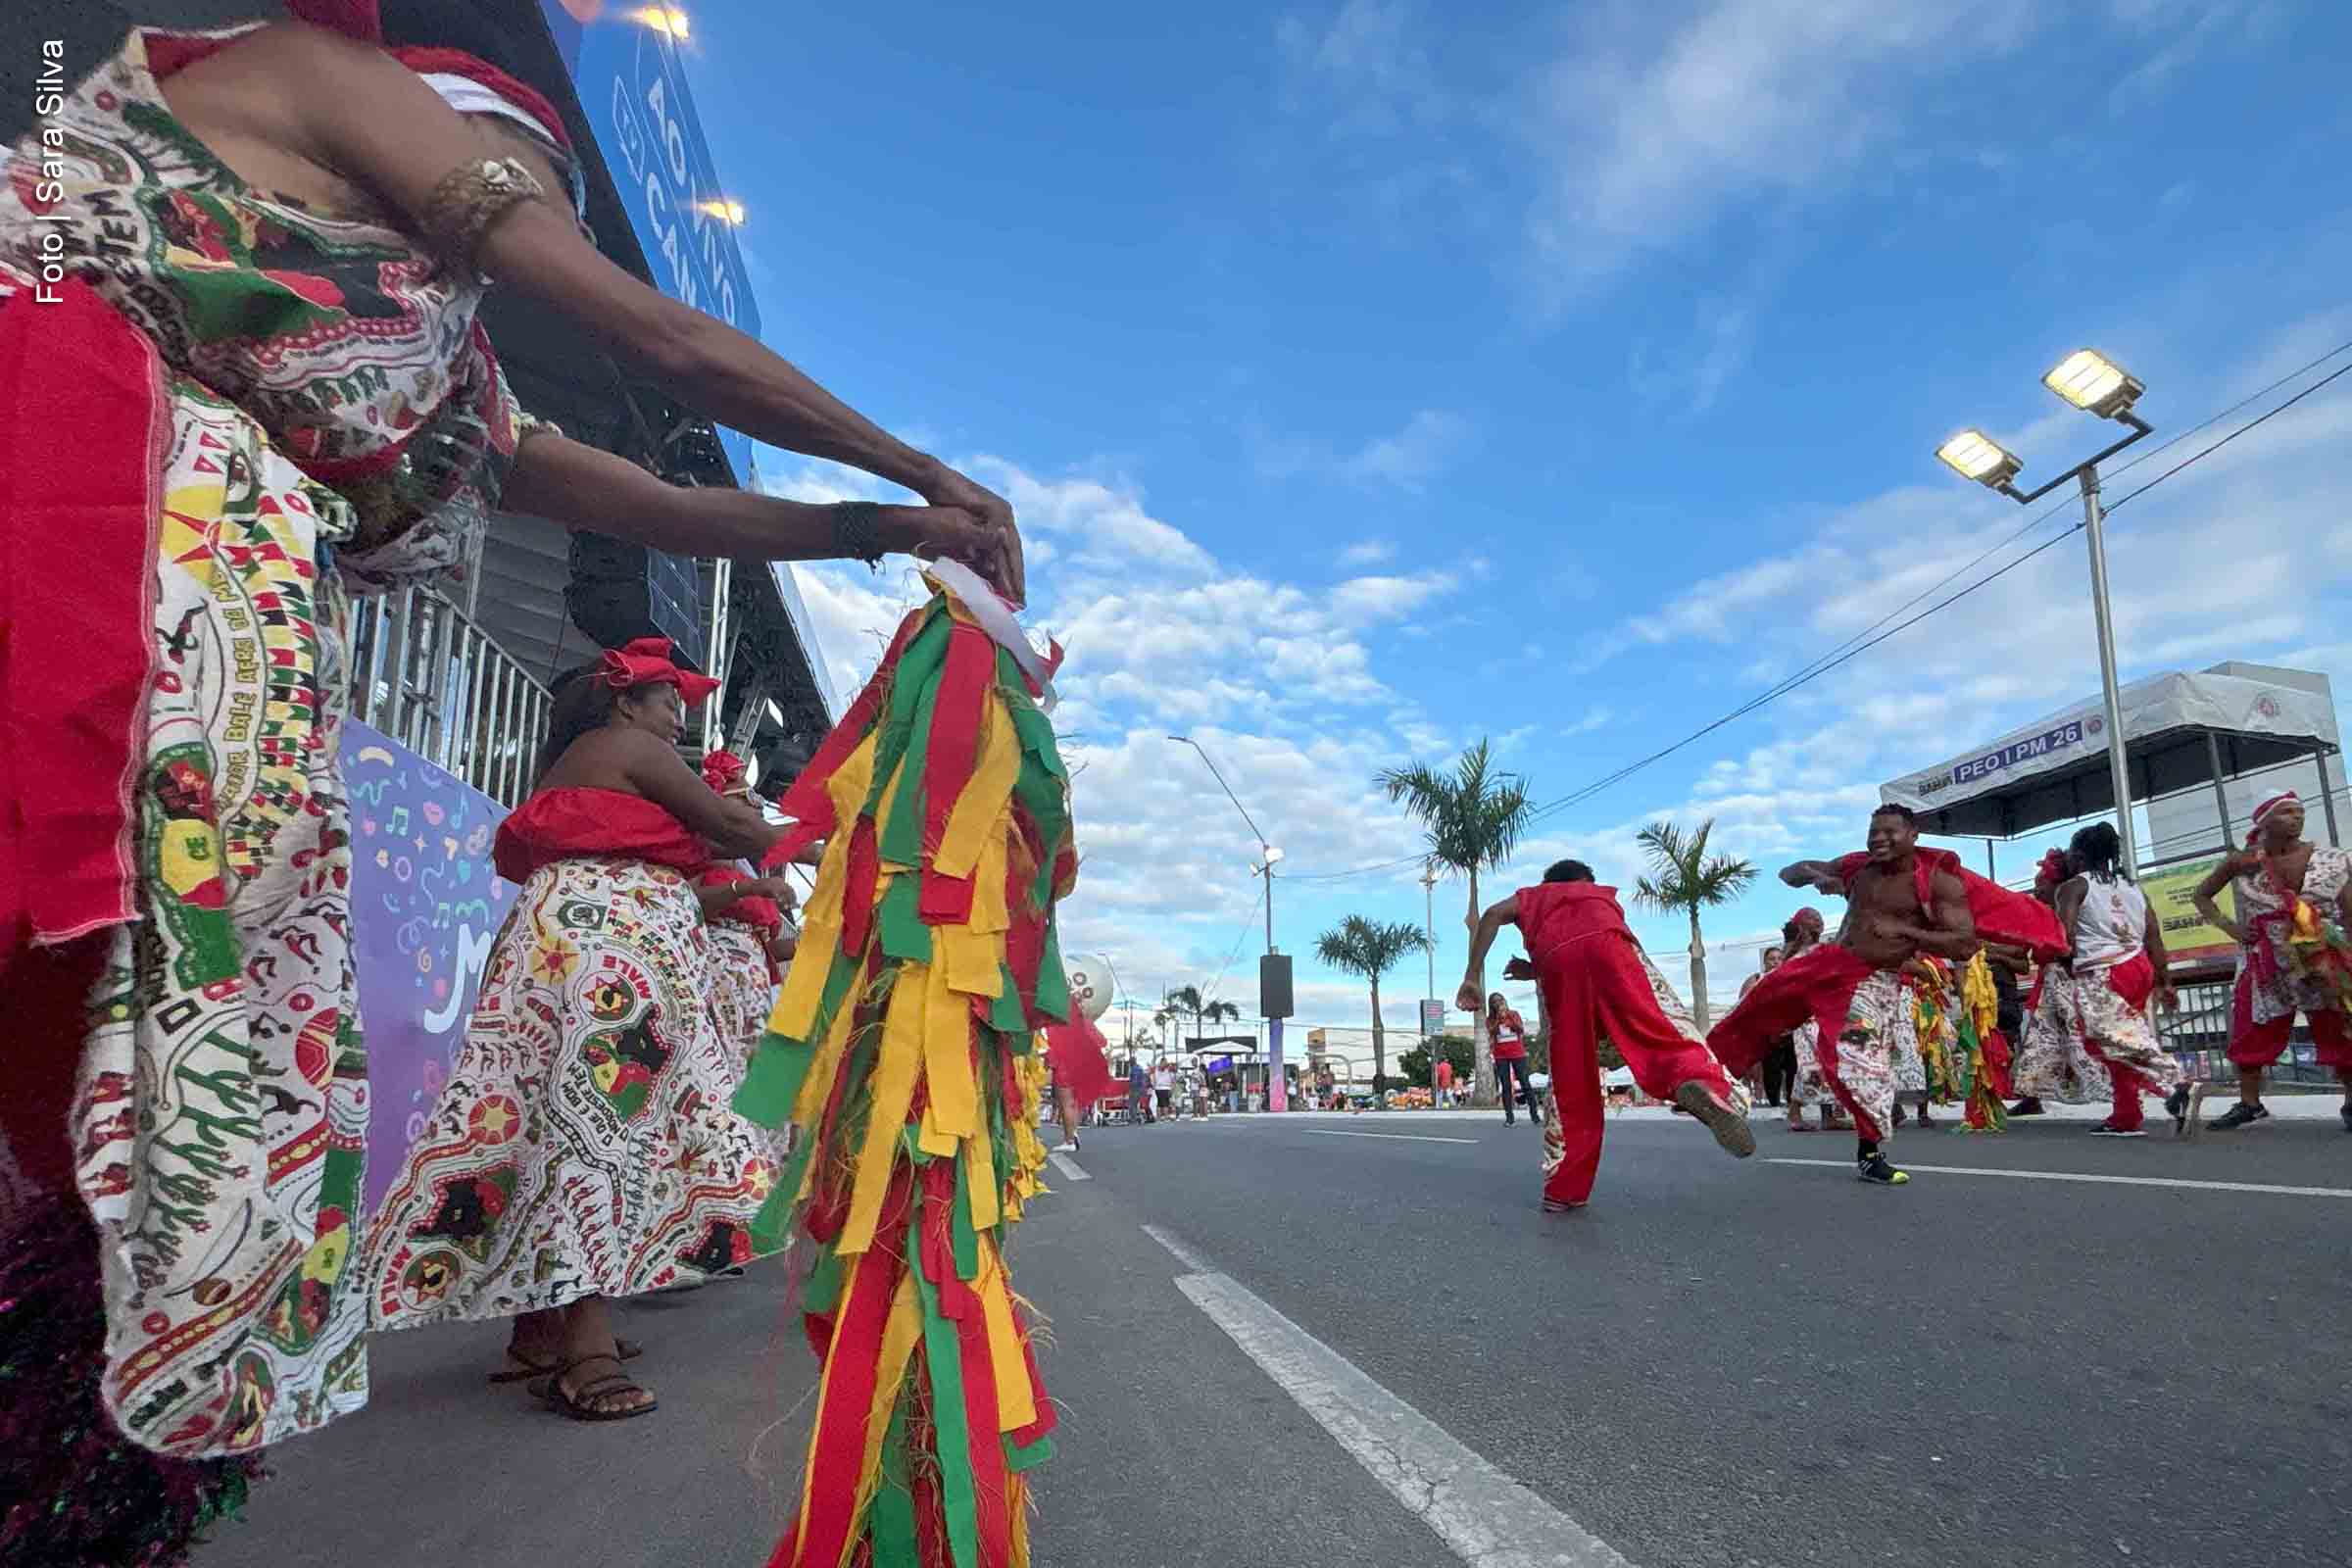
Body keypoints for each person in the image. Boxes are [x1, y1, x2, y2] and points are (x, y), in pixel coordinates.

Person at [0, 10, 1022, 1538]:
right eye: (516, 176)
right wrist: (927, 472)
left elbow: (654, 507)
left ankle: (66, 1455)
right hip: (65, 499)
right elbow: (660, 340)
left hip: (208, 632)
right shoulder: (314, 75)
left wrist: (880, 533)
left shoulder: (447, 370)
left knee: (147, 1076)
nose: (514, 218)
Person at [361, 642, 782, 1420]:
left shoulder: (601, 759)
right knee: (592, 1130)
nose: (675, 720)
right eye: (666, 703)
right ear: (624, 703)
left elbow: (718, 837)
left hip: (585, 945)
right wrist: (843, 845)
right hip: (597, 950)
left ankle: (538, 1332)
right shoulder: (626, 747)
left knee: (565, 1120)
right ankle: (582, 1344)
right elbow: (727, 823)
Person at [1710, 805, 2062, 1186]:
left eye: (1889, 832)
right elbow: (1788, 873)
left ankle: (1870, 1152)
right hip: (1825, 964)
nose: (1879, 838)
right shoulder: (1858, 867)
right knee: (1752, 1011)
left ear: (1914, 835)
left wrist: (1906, 933)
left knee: (1858, 1064)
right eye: (1873, 831)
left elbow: (1962, 944)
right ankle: (1699, 1082)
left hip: (1871, 980)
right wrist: (1813, 874)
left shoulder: (1937, 883)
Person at [1461, 860, 1752, 1212]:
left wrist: (1473, 975)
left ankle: (1563, 1189)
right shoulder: (1600, 896)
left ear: (1548, 881)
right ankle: (1705, 1086)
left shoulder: (1536, 896)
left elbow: (1493, 914)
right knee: (1662, 1029)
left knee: (1572, 1074)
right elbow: (1593, 943)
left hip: (1558, 964)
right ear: (1586, 880)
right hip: (1613, 949)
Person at [2191, 791, 2352, 1133]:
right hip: (2267, 959)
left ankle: (2351, 1102)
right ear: (2263, 821)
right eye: (2287, 812)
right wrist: (2231, 928)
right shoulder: (2242, 861)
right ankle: (2250, 1104)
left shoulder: (2333, 859)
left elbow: (2349, 910)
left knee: (2338, 1025)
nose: (2297, 817)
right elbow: (2201, 895)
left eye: (2299, 812)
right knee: (2253, 1027)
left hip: (2322, 956)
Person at [2055, 823, 2189, 1137]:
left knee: (2107, 1040)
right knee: (2122, 1037)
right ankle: (2126, 1116)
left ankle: (2176, 1084)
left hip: (2101, 970)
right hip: (2139, 967)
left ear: (2077, 856)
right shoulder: (2134, 889)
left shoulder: (2073, 887)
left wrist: (2063, 961)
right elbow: (2154, 937)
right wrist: (2165, 981)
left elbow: (2064, 936)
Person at [1777, 911, 1847, 1133]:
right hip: (1807, 1017)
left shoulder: (1824, 949)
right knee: (1811, 1065)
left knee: (1828, 1064)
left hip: (1828, 1014)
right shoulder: (1792, 954)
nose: (1818, 921)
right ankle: (1795, 1110)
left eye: (1819, 918)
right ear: (1802, 926)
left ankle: (1828, 1116)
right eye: (1812, 919)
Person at [1743, 946, 1790, 1107]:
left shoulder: (1789, 977)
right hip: (1768, 1030)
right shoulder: (1758, 979)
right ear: (1765, 962)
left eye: (1779, 959)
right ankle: (1774, 1102)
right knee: (1771, 1067)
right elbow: (1746, 1003)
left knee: (1792, 1066)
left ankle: (1791, 1102)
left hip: (1790, 1029)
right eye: (1772, 959)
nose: (1776, 962)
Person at [1489, 993, 1536, 1125]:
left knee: (1525, 1083)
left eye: (1500, 1000)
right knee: (1506, 1086)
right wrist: (1498, 1019)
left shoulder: (1514, 1014)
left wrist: (1508, 1018)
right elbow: (1491, 1032)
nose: (1498, 1003)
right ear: (1491, 1005)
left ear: (1504, 1001)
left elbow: (1520, 1029)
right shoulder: (1491, 1019)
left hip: (1517, 1053)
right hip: (1500, 1055)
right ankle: (1510, 1118)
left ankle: (1534, 1115)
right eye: (1495, 1001)